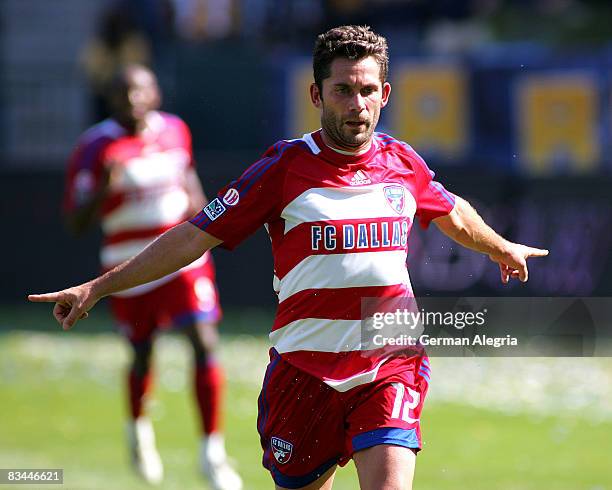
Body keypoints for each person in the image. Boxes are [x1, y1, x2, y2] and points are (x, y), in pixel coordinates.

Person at [31, 26, 548, 490]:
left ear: (384, 94)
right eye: (343, 90)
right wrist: (98, 287)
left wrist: (500, 245)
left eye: (368, 90)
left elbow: (451, 211)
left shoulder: (402, 162)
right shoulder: (283, 168)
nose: (357, 104)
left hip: (388, 363)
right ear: (316, 93)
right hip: (304, 375)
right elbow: (192, 237)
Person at [61, 64, 242, 490]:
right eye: (123, 93)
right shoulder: (95, 146)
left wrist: (203, 216)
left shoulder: (175, 129)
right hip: (129, 269)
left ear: (156, 94)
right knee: (142, 353)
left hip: (182, 262)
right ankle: (139, 432)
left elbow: (188, 177)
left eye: (140, 91)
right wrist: (105, 188)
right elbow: (74, 221)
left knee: (204, 341)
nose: (132, 100)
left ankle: (211, 452)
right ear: (110, 100)